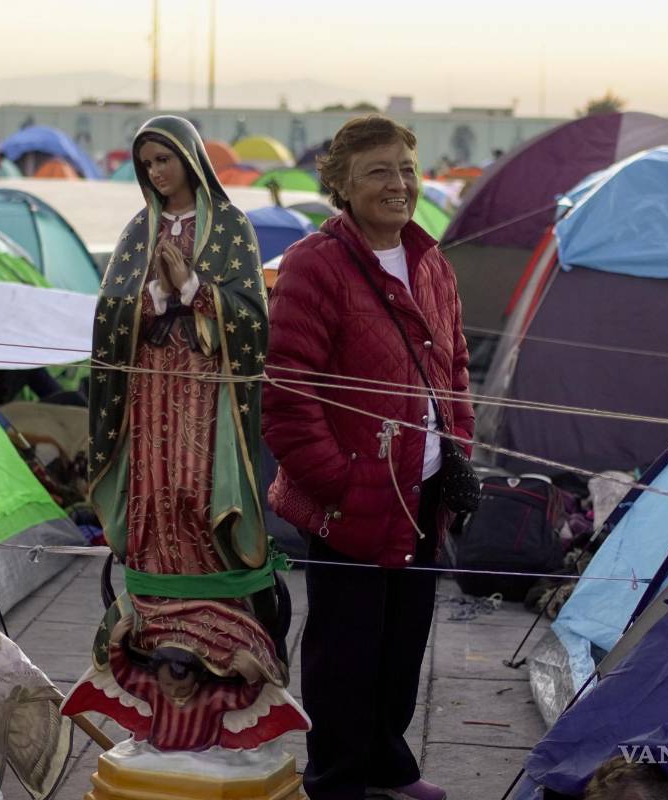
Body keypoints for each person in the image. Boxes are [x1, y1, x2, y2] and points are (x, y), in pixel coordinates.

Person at [61, 115, 307, 751]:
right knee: (155, 483)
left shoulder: (230, 227)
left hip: (205, 387)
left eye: (164, 159)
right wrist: (152, 298)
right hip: (149, 383)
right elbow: (112, 312)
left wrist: (194, 289)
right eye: (146, 164)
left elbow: (253, 321)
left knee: (197, 487)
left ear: (190, 160)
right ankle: (157, 588)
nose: (155, 173)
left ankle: (211, 601)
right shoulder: (137, 230)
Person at [262, 115, 473, 800]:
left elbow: (457, 370)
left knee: (402, 643)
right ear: (342, 185)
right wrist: (344, 485)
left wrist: (459, 454)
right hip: (352, 495)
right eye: (380, 170)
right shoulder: (314, 266)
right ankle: (338, 778)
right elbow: (287, 397)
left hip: (425, 494)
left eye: (407, 169)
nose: (399, 184)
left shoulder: (431, 262)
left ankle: (389, 767)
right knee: (345, 650)